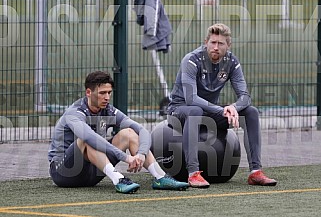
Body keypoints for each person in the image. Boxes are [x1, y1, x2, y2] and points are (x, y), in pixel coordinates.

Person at [167, 23, 277, 188]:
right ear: (206, 42)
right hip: (180, 110)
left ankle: (255, 172)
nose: (216, 47)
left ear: (228, 45)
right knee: (195, 110)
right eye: (213, 42)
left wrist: (233, 107)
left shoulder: (231, 61)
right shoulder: (191, 60)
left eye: (221, 44)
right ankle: (193, 173)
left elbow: (245, 97)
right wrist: (222, 109)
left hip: (209, 112)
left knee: (251, 112)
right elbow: (191, 99)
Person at [48, 71, 189, 194]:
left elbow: (142, 131)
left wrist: (141, 154)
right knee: (87, 139)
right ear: (88, 93)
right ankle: (119, 179)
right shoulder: (75, 113)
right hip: (64, 173)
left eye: (109, 93)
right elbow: (88, 137)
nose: (107, 97)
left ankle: (160, 177)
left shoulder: (108, 110)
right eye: (102, 93)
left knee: (128, 133)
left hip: (92, 172)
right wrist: (125, 158)